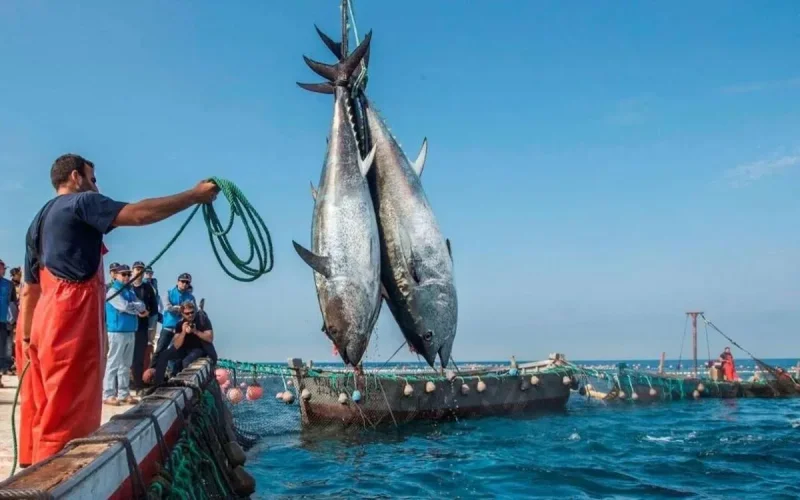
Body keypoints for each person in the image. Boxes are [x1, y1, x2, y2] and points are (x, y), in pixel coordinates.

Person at [16, 153, 218, 465]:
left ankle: (34, 469)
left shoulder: (39, 220)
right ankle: (58, 479)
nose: (96, 186)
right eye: (92, 178)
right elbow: (138, 214)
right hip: (69, 319)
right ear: (74, 177)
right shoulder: (81, 202)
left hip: (41, 320)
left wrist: (28, 339)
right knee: (68, 413)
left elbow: (29, 289)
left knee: (45, 406)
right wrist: (193, 196)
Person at [144, 300, 217, 386]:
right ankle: (158, 384)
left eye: (192, 312)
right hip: (184, 349)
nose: (190, 315)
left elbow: (209, 338)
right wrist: (183, 332)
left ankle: (186, 384)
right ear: (182, 314)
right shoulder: (179, 324)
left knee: (186, 361)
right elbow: (176, 345)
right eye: (187, 313)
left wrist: (195, 331)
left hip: (198, 349)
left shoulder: (202, 320)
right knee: (163, 356)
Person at [103, 264, 146, 405]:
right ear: (116, 275)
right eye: (124, 274)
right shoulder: (112, 291)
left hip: (130, 330)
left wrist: (134, 307)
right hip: (117, 331)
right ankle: (108, 394)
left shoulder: (130, 291)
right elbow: (124, 307)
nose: (127, 277)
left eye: (128, 274)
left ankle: (123, 393)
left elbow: (142, 305)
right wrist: (136, 308)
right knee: (113, 363)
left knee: (126, 364)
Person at [153, 273, 196, 377]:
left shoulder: (190, 297)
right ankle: (153, 372)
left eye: (187, 282)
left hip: (180, 330)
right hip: (168, 327)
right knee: (160, 350)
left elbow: (193, 311)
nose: (184, 284)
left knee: (176, 352)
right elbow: (168, 307)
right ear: (178, 282)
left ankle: (172, 376)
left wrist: (177, 309)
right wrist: (181, 309)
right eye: (182, 281)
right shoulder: (168, 293)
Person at [130, 261, 159, 394]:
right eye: (137, 269)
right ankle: (122, 385)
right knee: (124, 358)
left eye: (142, 269)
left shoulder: (148, 288)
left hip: (142, 327)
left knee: (139, 357)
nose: (139, 272)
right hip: (127, 327)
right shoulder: (127, 287)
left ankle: (137, 385)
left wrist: (147, 316)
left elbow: (154, 308)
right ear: (133, 270)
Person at [0, 259, 15, 387]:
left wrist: (13, 319)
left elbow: (13, 303)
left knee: (2, 349)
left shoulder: (9, 285)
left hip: (4, 321)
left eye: (3, 268)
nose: (2, 270)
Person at [143, 266, 162, 368]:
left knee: (151, 336)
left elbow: (157, 297)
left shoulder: (154, 282)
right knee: (145, 336)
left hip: (154, 312)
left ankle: (150, 363)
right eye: (147, 273)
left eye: (150, 273)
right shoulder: (142, 284)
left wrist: (158, 309)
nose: (149, 274)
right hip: (145, 312)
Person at [8, 267, 22, 375]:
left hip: (18, 315)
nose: (20, 274)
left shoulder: (20, 285)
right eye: (18, 273)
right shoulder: (10, 286)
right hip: (11, 316)